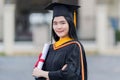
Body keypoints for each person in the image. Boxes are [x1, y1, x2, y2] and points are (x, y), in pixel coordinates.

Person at [32, 2, 87, 80]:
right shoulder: (50, 48)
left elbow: (70, 75)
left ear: (70, 24)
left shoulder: (74, 47)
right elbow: (37, 75)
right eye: (55, 23)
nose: (59, 27)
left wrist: (45, 74)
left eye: (63, 23)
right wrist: (59, 73)